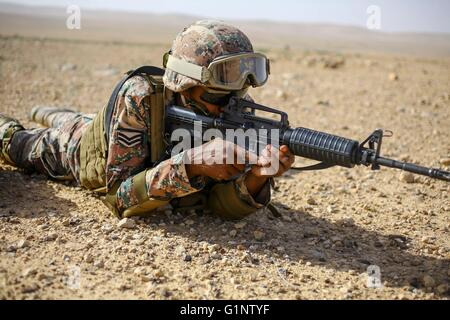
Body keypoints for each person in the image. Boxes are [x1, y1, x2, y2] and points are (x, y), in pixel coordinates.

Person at [0, 20, 294, 220]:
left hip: (113, 127)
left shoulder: (234, 109)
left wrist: (256, 178)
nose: (227, 108)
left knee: (67, 117)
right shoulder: (142, 96)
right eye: (217, 98)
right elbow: (118, 196)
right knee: (19, 143)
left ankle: (52, 112)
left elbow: (217, 203)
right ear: (183, 84)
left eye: (237, 95)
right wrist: (192, 164)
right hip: (79, 150)